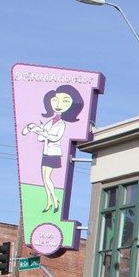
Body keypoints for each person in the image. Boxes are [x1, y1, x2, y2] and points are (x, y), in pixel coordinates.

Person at [21, 84, 84, 213]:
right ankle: (49, 201)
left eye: (65, 101)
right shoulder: (50, 121)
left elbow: (55, 137)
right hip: (46, 152)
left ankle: (55, 200)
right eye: (55, 100)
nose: (59, 104)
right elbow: (41, 139)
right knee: (44, 178)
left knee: (48, 178)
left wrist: (40, 130)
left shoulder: (62, 123)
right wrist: (37, 130)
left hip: (54, 154)